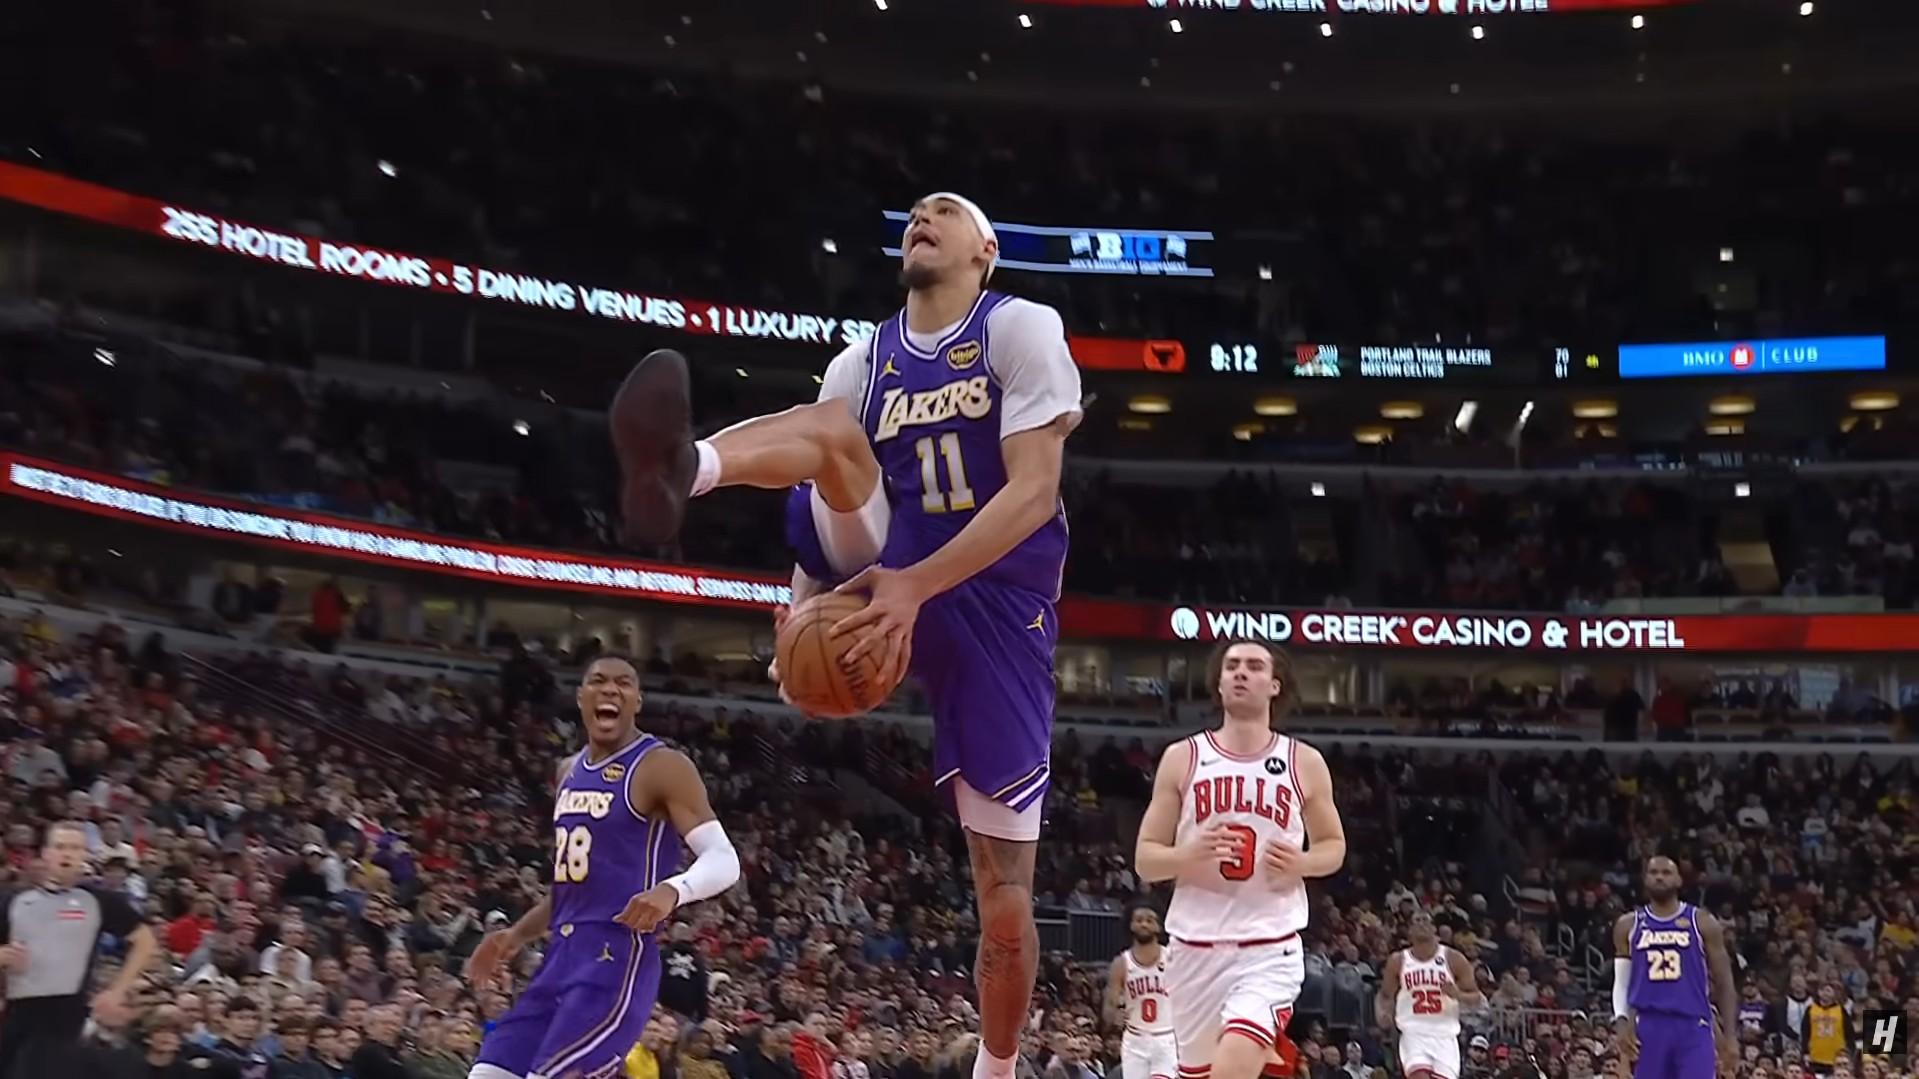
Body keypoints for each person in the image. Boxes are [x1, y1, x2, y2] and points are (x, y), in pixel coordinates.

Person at [613, 191, 1082, 1079]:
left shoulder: (1019, 328)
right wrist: (798, 622)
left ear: (984, 249)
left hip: (993, 595)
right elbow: (828, 529)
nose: (923, 216)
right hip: (882, 563)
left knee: (1005, 902)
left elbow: (1031, 495)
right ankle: (685, 466)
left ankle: (996, 1065)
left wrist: (916, 586)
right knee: (832, 430)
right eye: (915, 211)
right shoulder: (861, 362)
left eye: (944, 211)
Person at [464, 655, 741, 1079]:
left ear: (638, 701)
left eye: (624, 683)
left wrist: (673, 890)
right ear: (581, 697)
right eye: (598, 681)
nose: (610, 689)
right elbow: (571, 888)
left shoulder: (661, 765)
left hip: (616, 961)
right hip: (559, 958)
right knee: (487, 1074)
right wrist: (515, 935)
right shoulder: (568, 771)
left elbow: (725, 859)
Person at [1134, 640, 1348, 1079]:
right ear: (1218, 683)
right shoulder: (1183, 757)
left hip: (1268, 947)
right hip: (1192, 947)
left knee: (1233, 1066)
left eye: (1253, 666)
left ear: (1275, 685)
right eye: (1231, 666)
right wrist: (1188, 854)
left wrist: (1303, 863)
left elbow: (1333, 846)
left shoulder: (1303, 761)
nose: (1240, 673)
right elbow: (1145, 860)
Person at [0, 820, 160, 1077]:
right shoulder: (12, 900)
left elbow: (146, 941)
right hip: (18, 1016)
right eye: (60, 846)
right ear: (45, 853)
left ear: (85, 855)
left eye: (75, 848)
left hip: (69, 1022)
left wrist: (117, 991)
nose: (67, 854)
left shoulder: (99, 900)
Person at [1611, 856, 1738, 1079]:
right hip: (1648, 1024)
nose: (1659, 877)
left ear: (1679, 880)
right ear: (1645, 879)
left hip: (1693, 1023)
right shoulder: (1628, 925)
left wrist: (1730, 1036)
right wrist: (1621, 1021)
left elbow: (1725, 982)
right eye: (1653, 872)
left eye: (1666, 872)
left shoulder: (1702, 922)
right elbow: (1622, 983)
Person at [1376, 909, 1485, 1079]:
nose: (1421, 924)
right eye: (1417, 921)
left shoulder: (1453, 958)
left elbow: (1477, 998)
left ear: (1435, 928)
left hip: (1445, 1036)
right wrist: (1383, 1013)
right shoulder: (1398, 960)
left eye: (1425, 920)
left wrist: (1458, 995)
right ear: (1410, 930)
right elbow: (1385, 995)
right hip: (1413, 1032)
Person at [1108, 906, 1175, 1079]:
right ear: (1131, 925)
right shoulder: (1121, 963)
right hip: (1135, 1039)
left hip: (1166, 1037)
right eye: (1138, 920)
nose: (1144, 924)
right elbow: (1109, 1006)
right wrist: (1114, 1015)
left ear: (1158, 927)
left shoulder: (1172, 958)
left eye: (1149, 920)